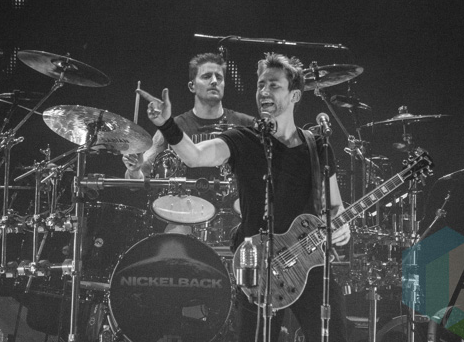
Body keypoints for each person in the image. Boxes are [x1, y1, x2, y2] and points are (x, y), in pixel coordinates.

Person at [137, 52, 351, 342]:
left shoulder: (318, 146)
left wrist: (342, 224)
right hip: (258, 267)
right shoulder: (243, 139)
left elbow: (335, 205)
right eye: (260, 85)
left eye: (273, 85)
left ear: (295, 95)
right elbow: (195, 156)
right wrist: (167, 124)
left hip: (311, 264)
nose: (264, 92)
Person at [123, 52, 253, 232]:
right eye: (206, 76)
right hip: (185, 217)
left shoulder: (245, 124)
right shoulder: (172, 127)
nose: (214, 81)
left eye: (219, 77)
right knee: (172, 239)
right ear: (192, 86)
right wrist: (134, 170)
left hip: (237, 217)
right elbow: (135, 183)